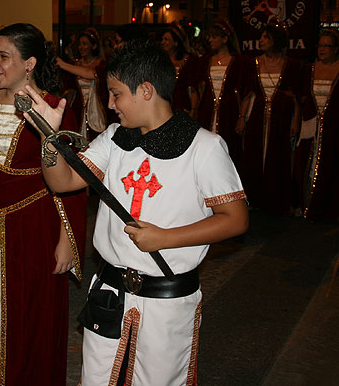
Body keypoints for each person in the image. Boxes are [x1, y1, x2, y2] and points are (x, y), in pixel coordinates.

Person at [21, 39, 248, 385]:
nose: (110, 105)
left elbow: (236, 219)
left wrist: (165, 238)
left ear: (145, 90)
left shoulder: (204, 147)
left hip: (165, 301)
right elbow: (63, 181)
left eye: (116, 94)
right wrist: (48, 139)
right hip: (110, 292)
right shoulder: (114, 138)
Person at [0, 23, 87, 386]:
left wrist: (65, 241)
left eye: (3, 57)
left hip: (35, 222)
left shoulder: (56, 108)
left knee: (31, 311)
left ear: (29, 63)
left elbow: (72, 184)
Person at [240, 22, 302, 214]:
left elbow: (297, 97)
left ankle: (276, 199)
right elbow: (248, 94)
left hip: (280, 118)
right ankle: (255, 198)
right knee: (253, 156)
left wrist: (295, 120)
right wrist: (242, 117)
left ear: (276, 40)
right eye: (262, 37)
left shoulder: (290, 65)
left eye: (266, 37)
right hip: (257, 117)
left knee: (278, 156)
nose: (262, 41)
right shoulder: (254, 64)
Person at [193, 18, 248, 168]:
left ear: (225, 39)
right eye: (209, 36)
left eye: (214, 36)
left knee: (228, 151)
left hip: (229, 112)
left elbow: (245, 93)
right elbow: (199, 90)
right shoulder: (205, 61)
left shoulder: (239, 62)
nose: (210, 40)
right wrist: (194, 112)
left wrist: (242, 117)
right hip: (207, 110)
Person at [297, 29, 339, 221]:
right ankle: (305, 205)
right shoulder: (310, 69)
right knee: (306, 162)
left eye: (327, 46)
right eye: (320, 45)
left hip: (333, 126)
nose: (322, 50)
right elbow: (303, 97)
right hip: (312, 125)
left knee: (329, 165)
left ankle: (326, 208)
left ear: (335, 49)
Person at [57, 31, 111, 139]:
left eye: (85, 43)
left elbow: (91, 74)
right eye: (80, 44)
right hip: (78, 110)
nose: (81, 47)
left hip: (97, 110)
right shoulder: (75, 65)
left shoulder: (102, 65)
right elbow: (67, 89)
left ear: (94, 46)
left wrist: (62, 64)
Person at [159, 21, 199, 115]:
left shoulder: (189, 61)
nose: (163, 42)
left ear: (176, 43)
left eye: (166, 39)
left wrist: (193, 110)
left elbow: (193, 88)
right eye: (162, 39)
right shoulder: (160, 60)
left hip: (181, 108)